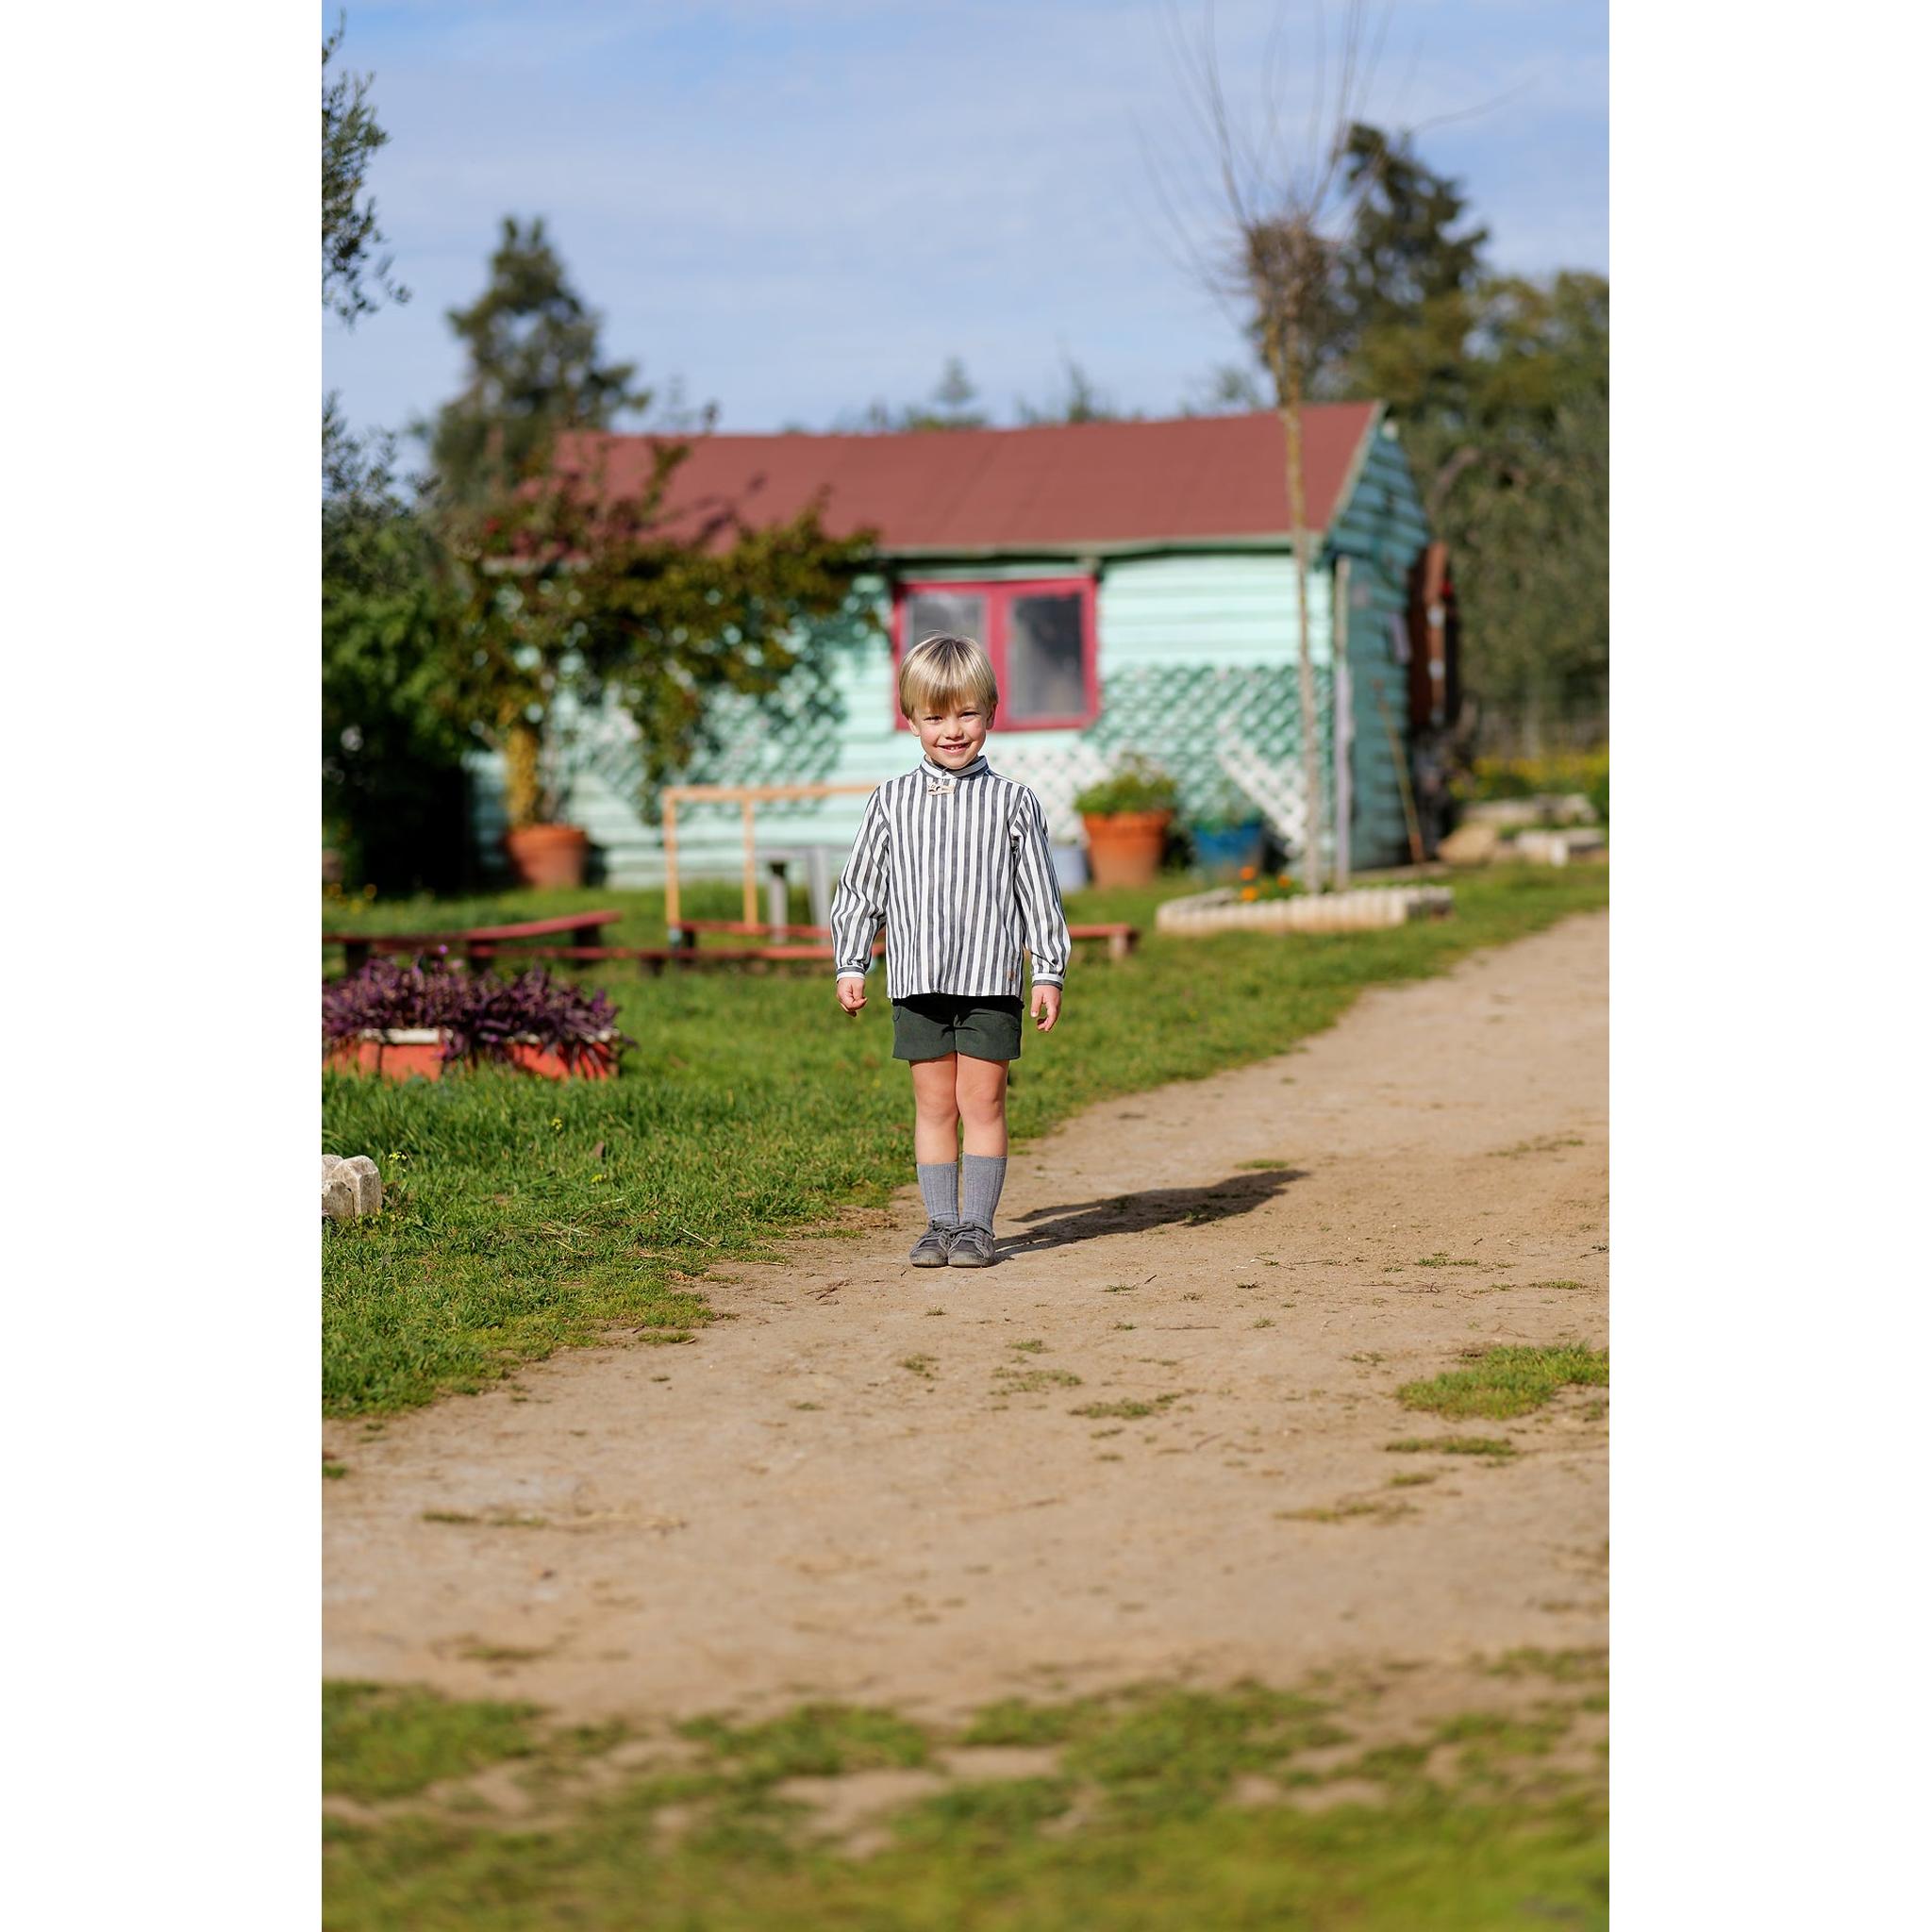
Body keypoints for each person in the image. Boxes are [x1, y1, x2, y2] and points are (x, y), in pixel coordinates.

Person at [829, 633, 1071, 1269]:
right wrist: (853, 961)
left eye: (966, 713)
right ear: (911, 720)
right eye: (935, 717)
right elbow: (860, 889)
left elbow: (1040, 895)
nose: (952, 730)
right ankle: (940, 1224)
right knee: (934, 1105)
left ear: (990, 711)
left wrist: (1048, 972)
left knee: (982, 1102)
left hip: (991, 982)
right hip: (918, 983)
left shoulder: (1014, 803)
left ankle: (978, 1227)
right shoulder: (890, 802)